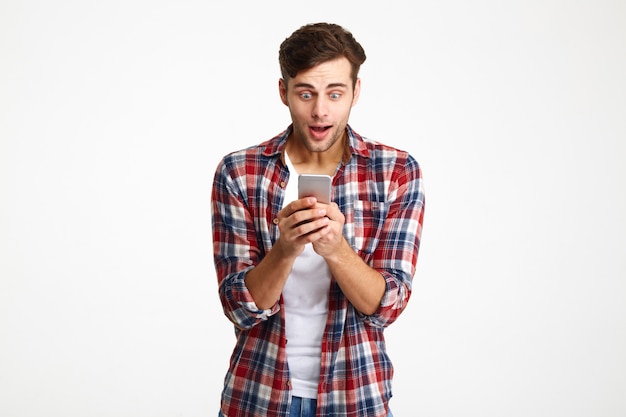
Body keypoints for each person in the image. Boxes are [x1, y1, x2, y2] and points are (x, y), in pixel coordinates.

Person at [211, 22, 425, 417]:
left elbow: (386, 307)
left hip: (355, 396)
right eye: (305, 93)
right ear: (284, 92)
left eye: (335, 93)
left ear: (355, 93)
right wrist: (286, 248)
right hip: (258, 396)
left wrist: (336, 250)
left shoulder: (395, 172)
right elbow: (239, 306)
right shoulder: (240, 172)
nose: (320, 110)